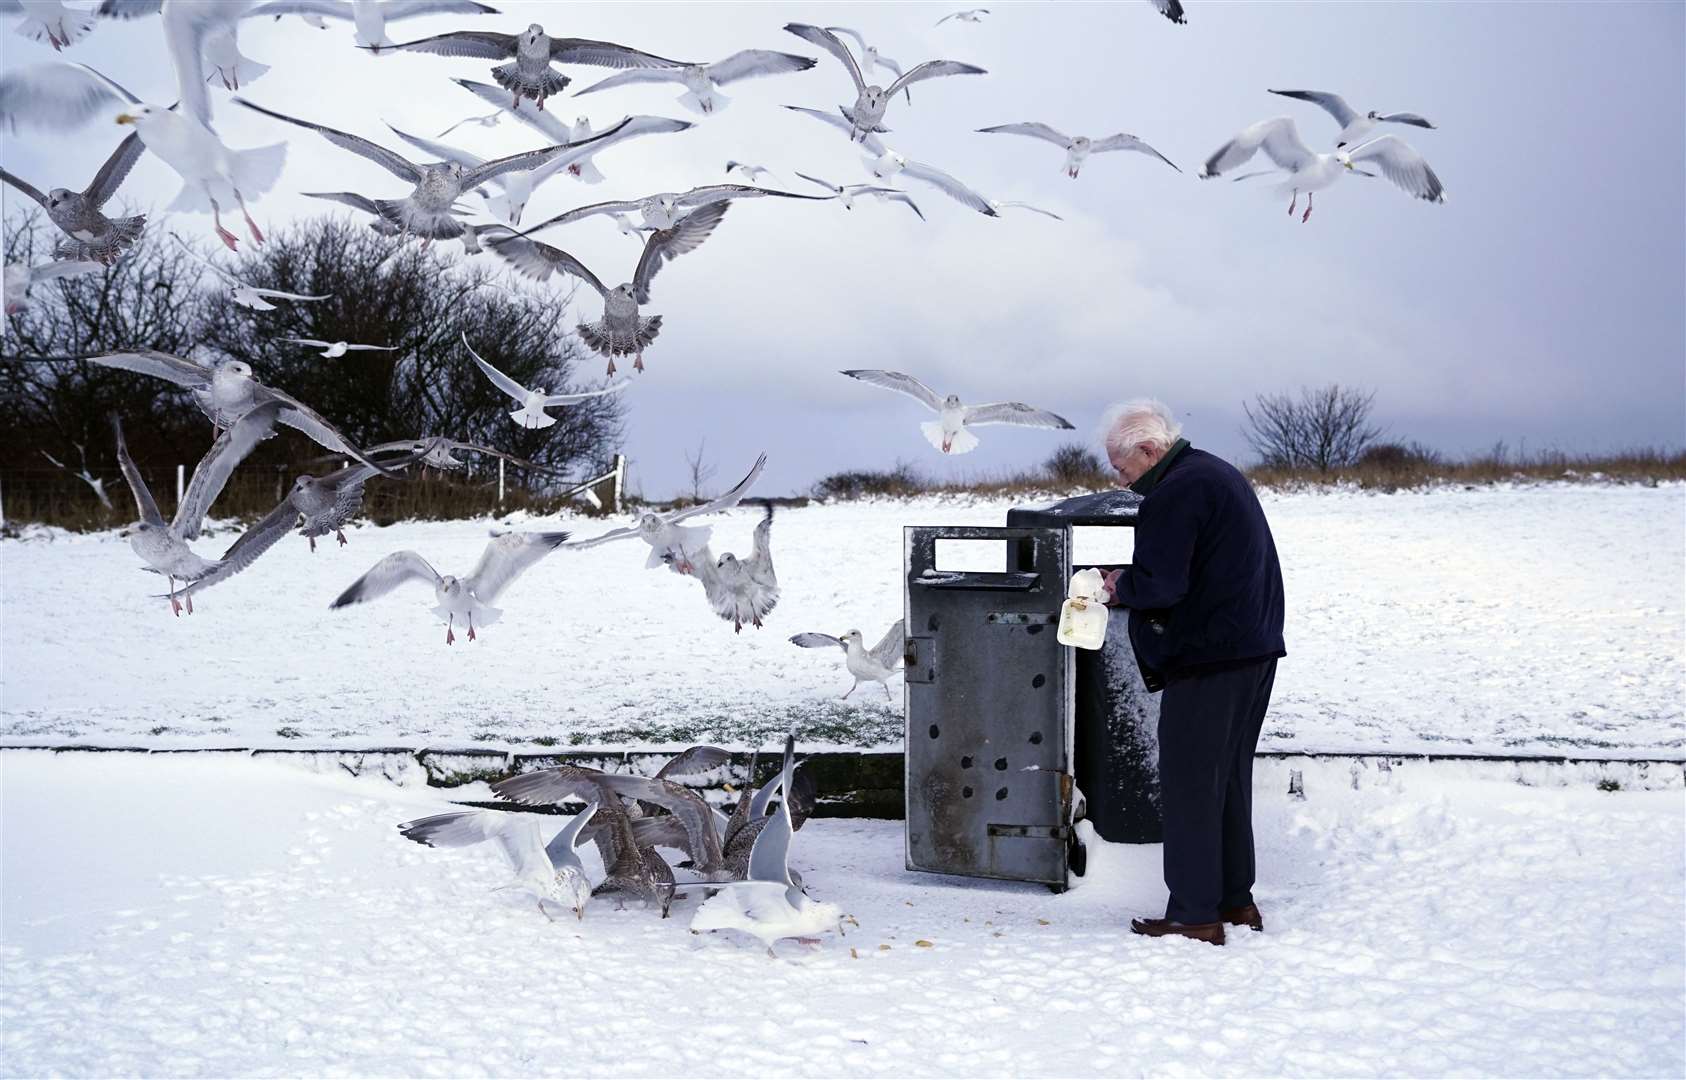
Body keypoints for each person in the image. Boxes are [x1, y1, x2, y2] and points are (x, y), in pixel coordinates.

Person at [1097, 399, 1285, 946]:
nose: (1120, 479)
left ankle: (1194, 914)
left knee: (1190, 785)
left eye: (1121, 465)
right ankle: (1234, 900)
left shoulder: (1174, 490)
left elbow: (1164, 585)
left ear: (1150, 450)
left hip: (1210, 656)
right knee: (1226, 779)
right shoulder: (1216, 472)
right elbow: (1198, 565)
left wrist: (1117, 587)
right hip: (1252, 647)